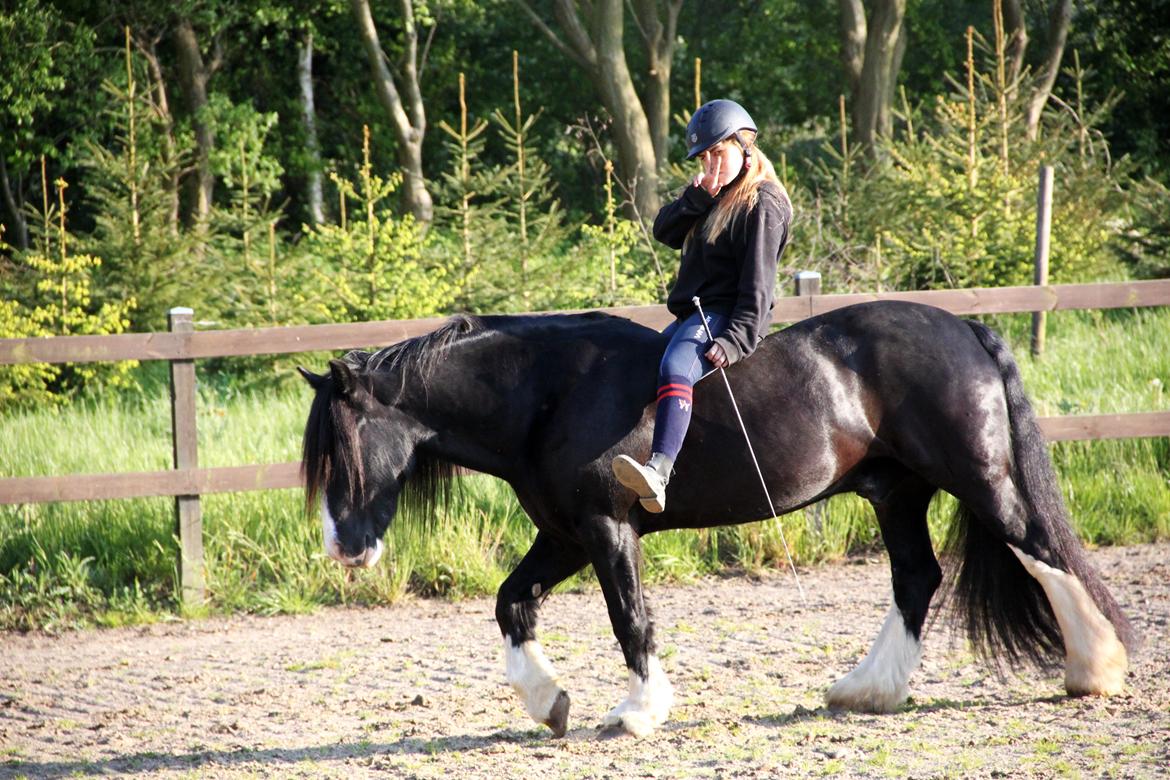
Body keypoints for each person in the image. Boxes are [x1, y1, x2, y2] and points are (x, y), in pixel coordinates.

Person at [612, 99, 793, 513]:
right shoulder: (713, 193)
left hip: (722, 316)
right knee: (641, 366)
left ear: (745, 147)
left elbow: (759, 285)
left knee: (676, 368)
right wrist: (697, 197)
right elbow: (664, 231)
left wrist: (736, 340)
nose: (711, 163)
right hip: (692, 314)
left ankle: (659, 472)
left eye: (719, 152)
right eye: (704, 156)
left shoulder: (762, 202)